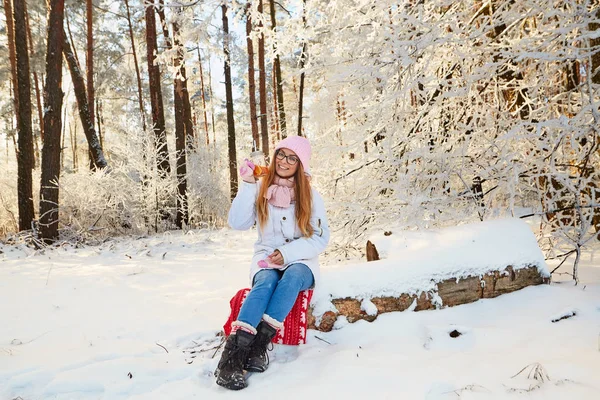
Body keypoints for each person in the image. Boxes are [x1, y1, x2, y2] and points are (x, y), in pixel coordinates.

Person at [215, 136, 330, 390]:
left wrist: (288, 253)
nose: (284, 161)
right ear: (274, 155)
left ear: (300, 164)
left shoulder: (310, 196)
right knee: (265, 282)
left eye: (292, 158)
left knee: (292, 278)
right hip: (266, 257)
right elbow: (237, 223)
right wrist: (247, 184)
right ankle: (231, 359)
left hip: (301, 259)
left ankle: (258, 347)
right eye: (281, 154)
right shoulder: (260, 189)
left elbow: (320, 238)